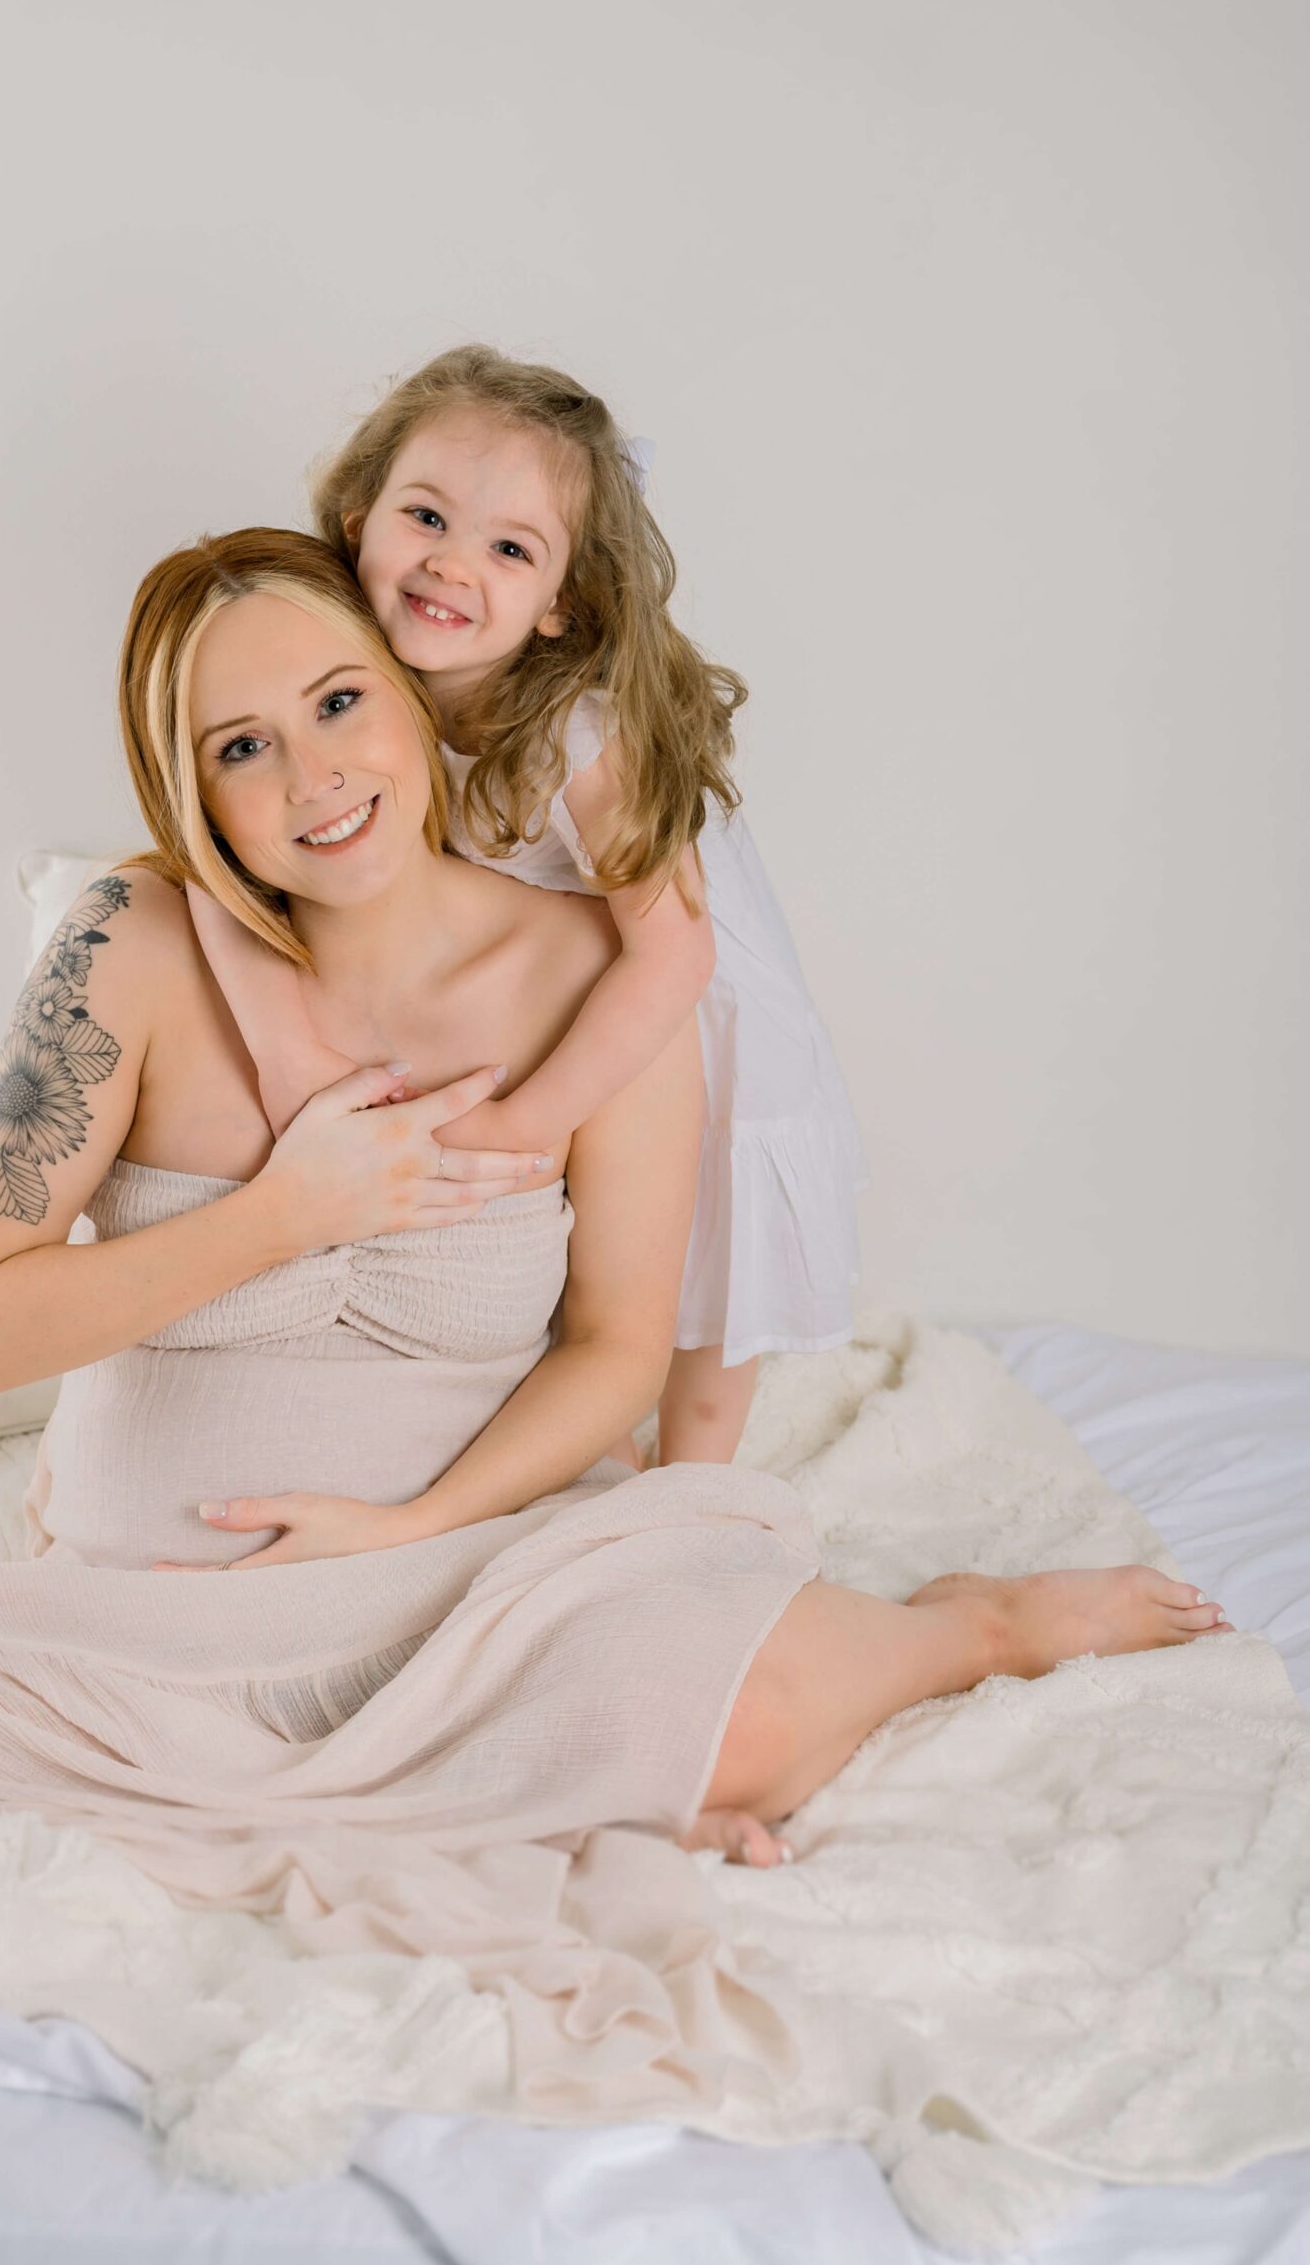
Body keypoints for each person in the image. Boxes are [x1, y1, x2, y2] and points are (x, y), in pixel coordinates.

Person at [0, 530, 1229, 1910]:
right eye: (242, 748)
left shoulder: (587, 982)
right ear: (190, 791)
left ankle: (956, 1625)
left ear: (414, 704)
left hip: (469, 1587)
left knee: (749, 1718)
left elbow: (614, 1350)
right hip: (161, 1633)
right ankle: (519, 1801)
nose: (313, 777)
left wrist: (402, 1525)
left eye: (338, 703)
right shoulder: (127, 942)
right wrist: (287, 1213)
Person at [187, 344, 868, 1472]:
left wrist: (530, 1121)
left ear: (559, 607)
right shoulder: (334, 677)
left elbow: (674, 959)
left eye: (511, 548)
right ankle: (554, 1438)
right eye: (428, 517)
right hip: (540, 990)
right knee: (550, 1280)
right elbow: (207, 861)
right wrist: (282, 1048)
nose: (454, 566)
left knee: (699, 1283)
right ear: (357, 516)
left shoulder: (581, 737)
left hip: (672, 1015)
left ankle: (696, 1489)